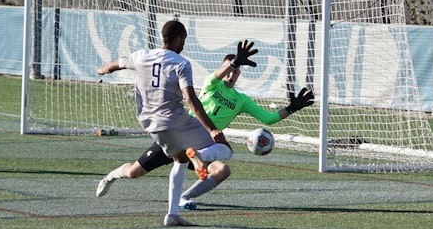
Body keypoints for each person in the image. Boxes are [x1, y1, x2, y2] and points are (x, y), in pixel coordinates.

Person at [102, 42, 316, 211]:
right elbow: (216, 77)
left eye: (236, 70)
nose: (232, 74)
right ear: (222, 69)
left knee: (222, 170)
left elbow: (268, 119)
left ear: (240, 74)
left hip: (202, 147)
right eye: (229, 69)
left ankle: (184, 198)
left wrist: (292, 108)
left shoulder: (241, 100)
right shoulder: (210, 84)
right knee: (133, 173)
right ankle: (111, 176)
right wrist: (231, 63)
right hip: (178, 134)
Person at [93, 19, 232, 227]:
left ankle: (172, 214)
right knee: (225, 149)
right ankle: (199, 156)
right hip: (178, 122)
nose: (184, 44)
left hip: (153, 126)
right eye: (184, 39)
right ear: (177, 39)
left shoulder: (141, 56)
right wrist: (211, 128)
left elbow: (115, 64)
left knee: (179, 160)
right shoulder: (181, 63)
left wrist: (102, 70)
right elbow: (190, 99)